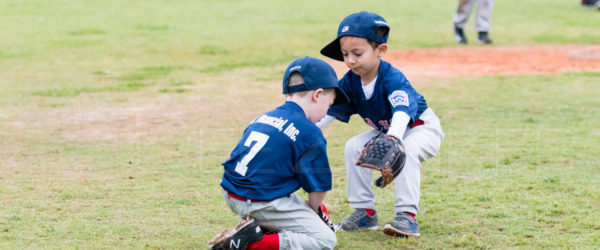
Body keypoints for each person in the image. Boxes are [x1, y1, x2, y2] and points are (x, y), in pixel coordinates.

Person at [318, 11, 444, 237]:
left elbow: (403, 111)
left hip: (421, 128)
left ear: (380, 51)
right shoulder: (350, 81)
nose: (350, 60)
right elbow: (330, 112)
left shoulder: (391, 77)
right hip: (388, 131)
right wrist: (306, 129)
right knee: (353, 146)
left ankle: (407, 217)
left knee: (406, 151)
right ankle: (364, 212)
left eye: (357, 53)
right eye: (345, 54)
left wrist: (394, 139)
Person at [208, 56, 349, 250]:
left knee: (288, 206)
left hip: (231, 193)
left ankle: (260, 227)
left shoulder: (264, 117)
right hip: (257, 201)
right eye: (330, 104)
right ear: (317, 95)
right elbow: (318, 190)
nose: (327, 112)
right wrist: (314, 209)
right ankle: (253, 242)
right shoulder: (310, 132)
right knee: (325, 239)